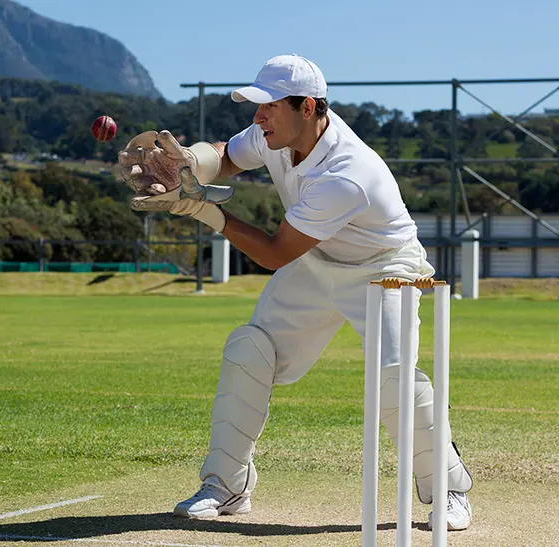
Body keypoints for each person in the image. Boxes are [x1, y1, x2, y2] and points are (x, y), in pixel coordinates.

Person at [117, 54, 474, 531]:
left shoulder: (346, 172)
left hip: (385, 267)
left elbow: (273, 253)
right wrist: (190, 163)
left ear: (307, 107)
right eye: (256, 106)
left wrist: (197, 207)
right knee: (249, 350)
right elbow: (227, 155)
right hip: (316, 260)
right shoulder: (276, 136)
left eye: (268, 107)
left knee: (393, 378)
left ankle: (449, 489)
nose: (257, 116)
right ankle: (226, 486)